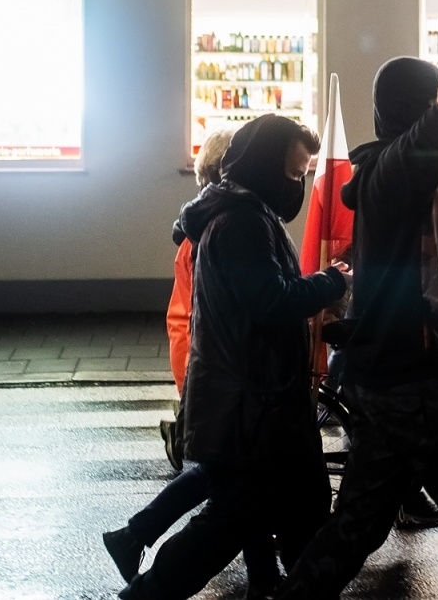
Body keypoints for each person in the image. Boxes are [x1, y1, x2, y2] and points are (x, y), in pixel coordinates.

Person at [275, 0, 438, 600]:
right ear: (416, 116)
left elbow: (430, 282)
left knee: (357, 525)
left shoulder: (399, 183)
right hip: (417, 385)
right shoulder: (397, 179)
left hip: (387, 381)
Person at [118, 114, 350, 600]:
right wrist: (332, 282)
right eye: (293, 174)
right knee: (228, 525)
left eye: (305, 175)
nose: (299, 186)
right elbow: (270, 302)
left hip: (263, 408)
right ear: (264, 167)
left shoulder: (246, 214)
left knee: (297, 513)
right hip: (253, 411)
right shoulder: (243, 222)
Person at [161, 128, 233, 469]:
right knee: (211, 472)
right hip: (204, 358)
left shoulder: (195, 230)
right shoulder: (211, 236)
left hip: (193, 353)